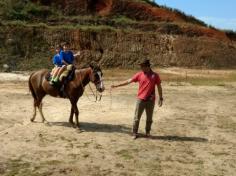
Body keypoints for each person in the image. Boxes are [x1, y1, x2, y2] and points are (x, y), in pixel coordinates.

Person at [111, 59, 163, 139]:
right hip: (140, 100)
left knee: (149, 118)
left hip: (150, 100)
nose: (141, 68)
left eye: (142, 66)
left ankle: (147, 132)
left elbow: (159, 86)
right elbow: (129, 81)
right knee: (136, 118)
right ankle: (135, 133)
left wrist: (161, 97)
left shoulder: (155, 75)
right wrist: (117, 85)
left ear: (147, 66)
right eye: (141, 66)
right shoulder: (139, 74)